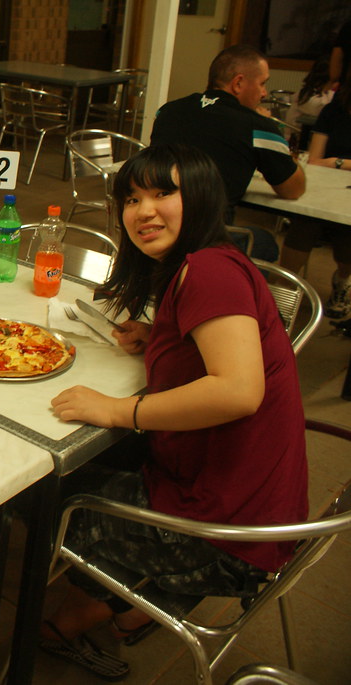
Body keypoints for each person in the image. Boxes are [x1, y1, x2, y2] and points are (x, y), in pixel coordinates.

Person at [42, 144, 307, 680]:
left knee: (46, 495)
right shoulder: (207, 262)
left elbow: (237, 391)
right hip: (254, 506)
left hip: (227, 533)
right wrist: (161, 336)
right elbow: (212, 356)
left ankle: (71, 620)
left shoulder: (210, 271)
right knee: (104, 467)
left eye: (165, 192)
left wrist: (120, 410)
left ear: (203, 196)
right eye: (133, 198)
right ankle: (131, 609)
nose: (144, 211)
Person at [151, 44, 306, 261]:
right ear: (238, 83)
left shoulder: (167, 111)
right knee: (265, 243)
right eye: (262, 84)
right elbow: (293, 189)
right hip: (208, 239)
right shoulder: (257, 126)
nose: (264, 93)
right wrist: (271, 127)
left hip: (156, 227)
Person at [280, 85, 351, 319]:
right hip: (324, 185)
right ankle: (283, 289)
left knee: (346, 239)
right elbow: (315, 159)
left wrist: (336, 162)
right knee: (304, 223)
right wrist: (339, 163)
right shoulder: (334, 110)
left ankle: (342, 281)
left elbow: (326, 160)